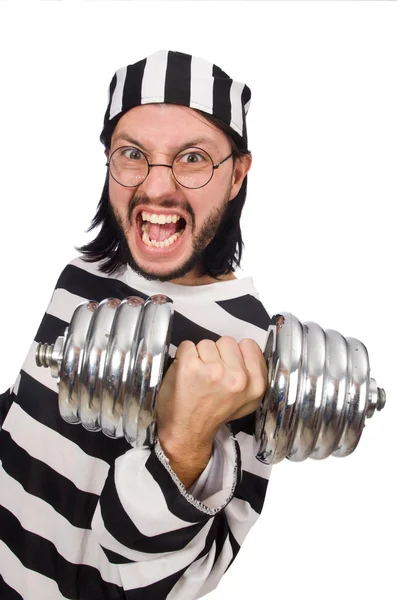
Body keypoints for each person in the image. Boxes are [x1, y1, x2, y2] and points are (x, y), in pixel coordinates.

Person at [0, 50, 272, 599]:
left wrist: (185, 443)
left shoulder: (250, 350)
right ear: (109, 162)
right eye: (132, 154)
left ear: (237, 174)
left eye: (193, 158)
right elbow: (23, 430)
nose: (155, 189)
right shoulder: (84, 275)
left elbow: (169, 583)